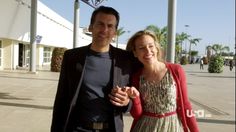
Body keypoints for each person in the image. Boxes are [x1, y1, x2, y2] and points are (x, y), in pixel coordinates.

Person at [51, 6, 140, 132]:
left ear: (115, 32)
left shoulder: (126, 59)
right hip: (77, 128)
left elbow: (135, 95)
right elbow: (61, 99)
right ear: (91, 27)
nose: (104, 30)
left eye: (110, 26)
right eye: (100, 24)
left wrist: (127, 102)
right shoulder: (72, 57)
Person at [125, 30, 199, 132]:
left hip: (172, 127)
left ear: (156, 48)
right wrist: (135, 98)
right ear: (135, 53)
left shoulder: (175, 70)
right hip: (144, 127)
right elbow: (137, 114)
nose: (147, 51)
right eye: (141, 48)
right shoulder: (136, 76)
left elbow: (186, 105)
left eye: (151, 46)